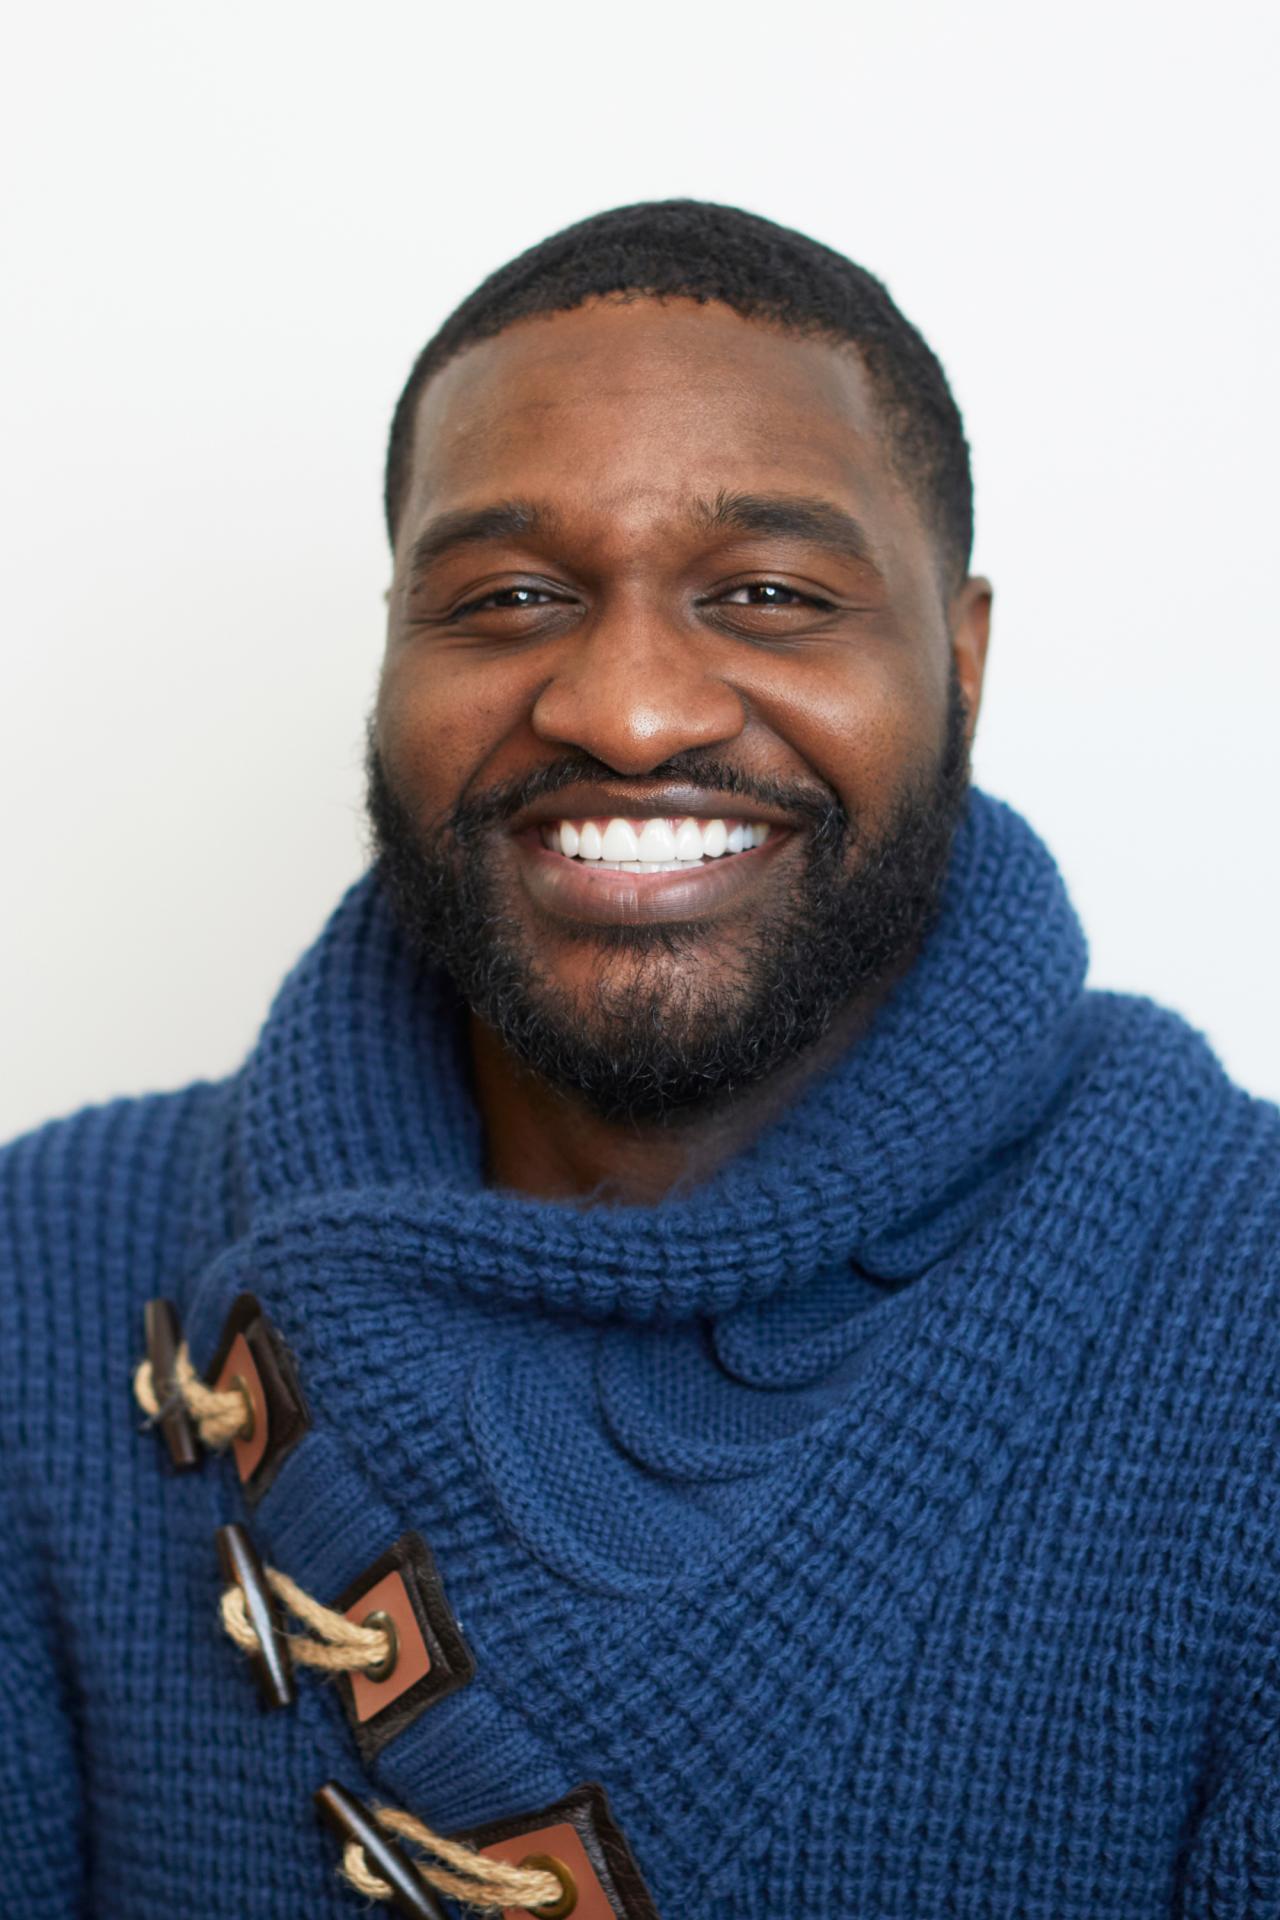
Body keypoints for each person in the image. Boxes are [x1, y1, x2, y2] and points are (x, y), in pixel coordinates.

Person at [1, 199, 1276, 1920]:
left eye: (767, 594)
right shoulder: (46, 1270)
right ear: (392, 652)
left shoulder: (1246, 1292)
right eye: (510, 596)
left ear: (961, 660)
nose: (630, 707)